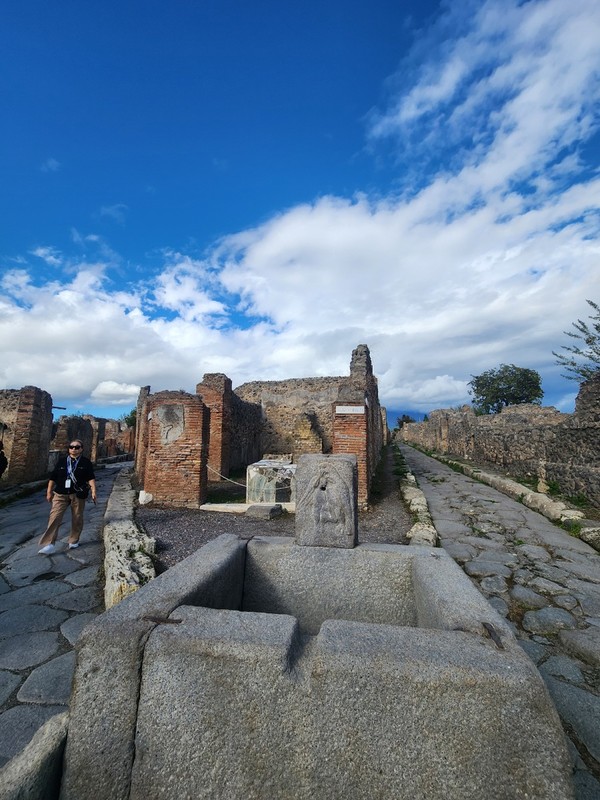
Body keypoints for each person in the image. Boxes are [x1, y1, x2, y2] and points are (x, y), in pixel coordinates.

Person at [38, 439, 97, 555]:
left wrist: (94, 491)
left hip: (77, 494)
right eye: (71, 447)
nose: (74, 449)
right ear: (69, 448)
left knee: (77, 517)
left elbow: (90, 477)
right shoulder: (62, 462)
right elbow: (53, 477)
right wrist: (49, 492)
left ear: (81, 449)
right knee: (54, 517)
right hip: (60, 493)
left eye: (77, 447)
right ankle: (49, 544)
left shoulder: (85, 462)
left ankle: (74, 540)